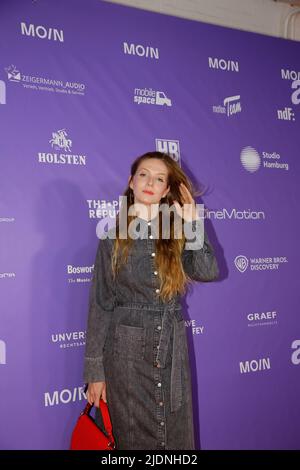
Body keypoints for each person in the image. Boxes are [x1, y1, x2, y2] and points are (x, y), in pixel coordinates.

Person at [83, 151, 219, 450]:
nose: (150, 182)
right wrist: (95, 372)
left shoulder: (180, 233)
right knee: (133, 438)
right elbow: (101, 304)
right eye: (143, 174)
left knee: (175, 438)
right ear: (131, 182)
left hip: (171, 348)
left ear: (167, 190)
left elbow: (208, 271)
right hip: (125, 354)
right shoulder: (112, 239)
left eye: (160, 179)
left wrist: (194, 223)